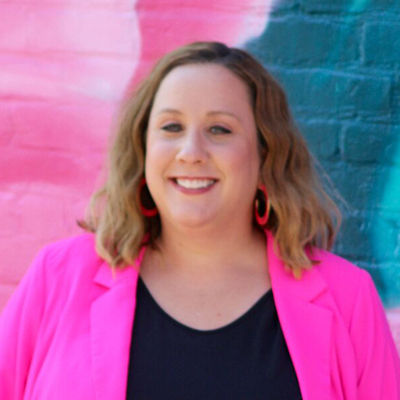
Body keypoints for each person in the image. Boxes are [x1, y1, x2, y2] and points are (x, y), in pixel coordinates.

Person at [0, 42, 399, 400]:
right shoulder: (58, 278)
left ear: (265, 155)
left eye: (219, 129)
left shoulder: (348, 299)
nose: (191, 151)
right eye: (171, 127)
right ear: (143, 149)